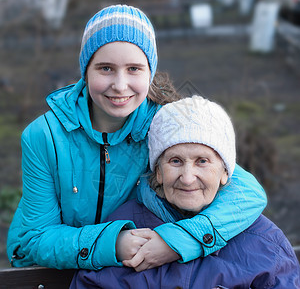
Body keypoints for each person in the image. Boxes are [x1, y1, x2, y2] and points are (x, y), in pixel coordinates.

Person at [7, 5, 267, 271]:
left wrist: (177, 241)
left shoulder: (166, 124)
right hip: (52, 272)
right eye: (105, 68)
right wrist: (112, 244)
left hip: (131, 270)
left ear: (149, 72)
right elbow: (34, 237)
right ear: (86, 71)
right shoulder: (45, 136)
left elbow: (246, 193)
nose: (120, 85)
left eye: (134, 69)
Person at [71, 96, 300, 288]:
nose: (188, 177)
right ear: (158, 171)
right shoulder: (125, 228)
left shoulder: (263, 239)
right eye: (175, 161)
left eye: (202, 161)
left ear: (225, 173)